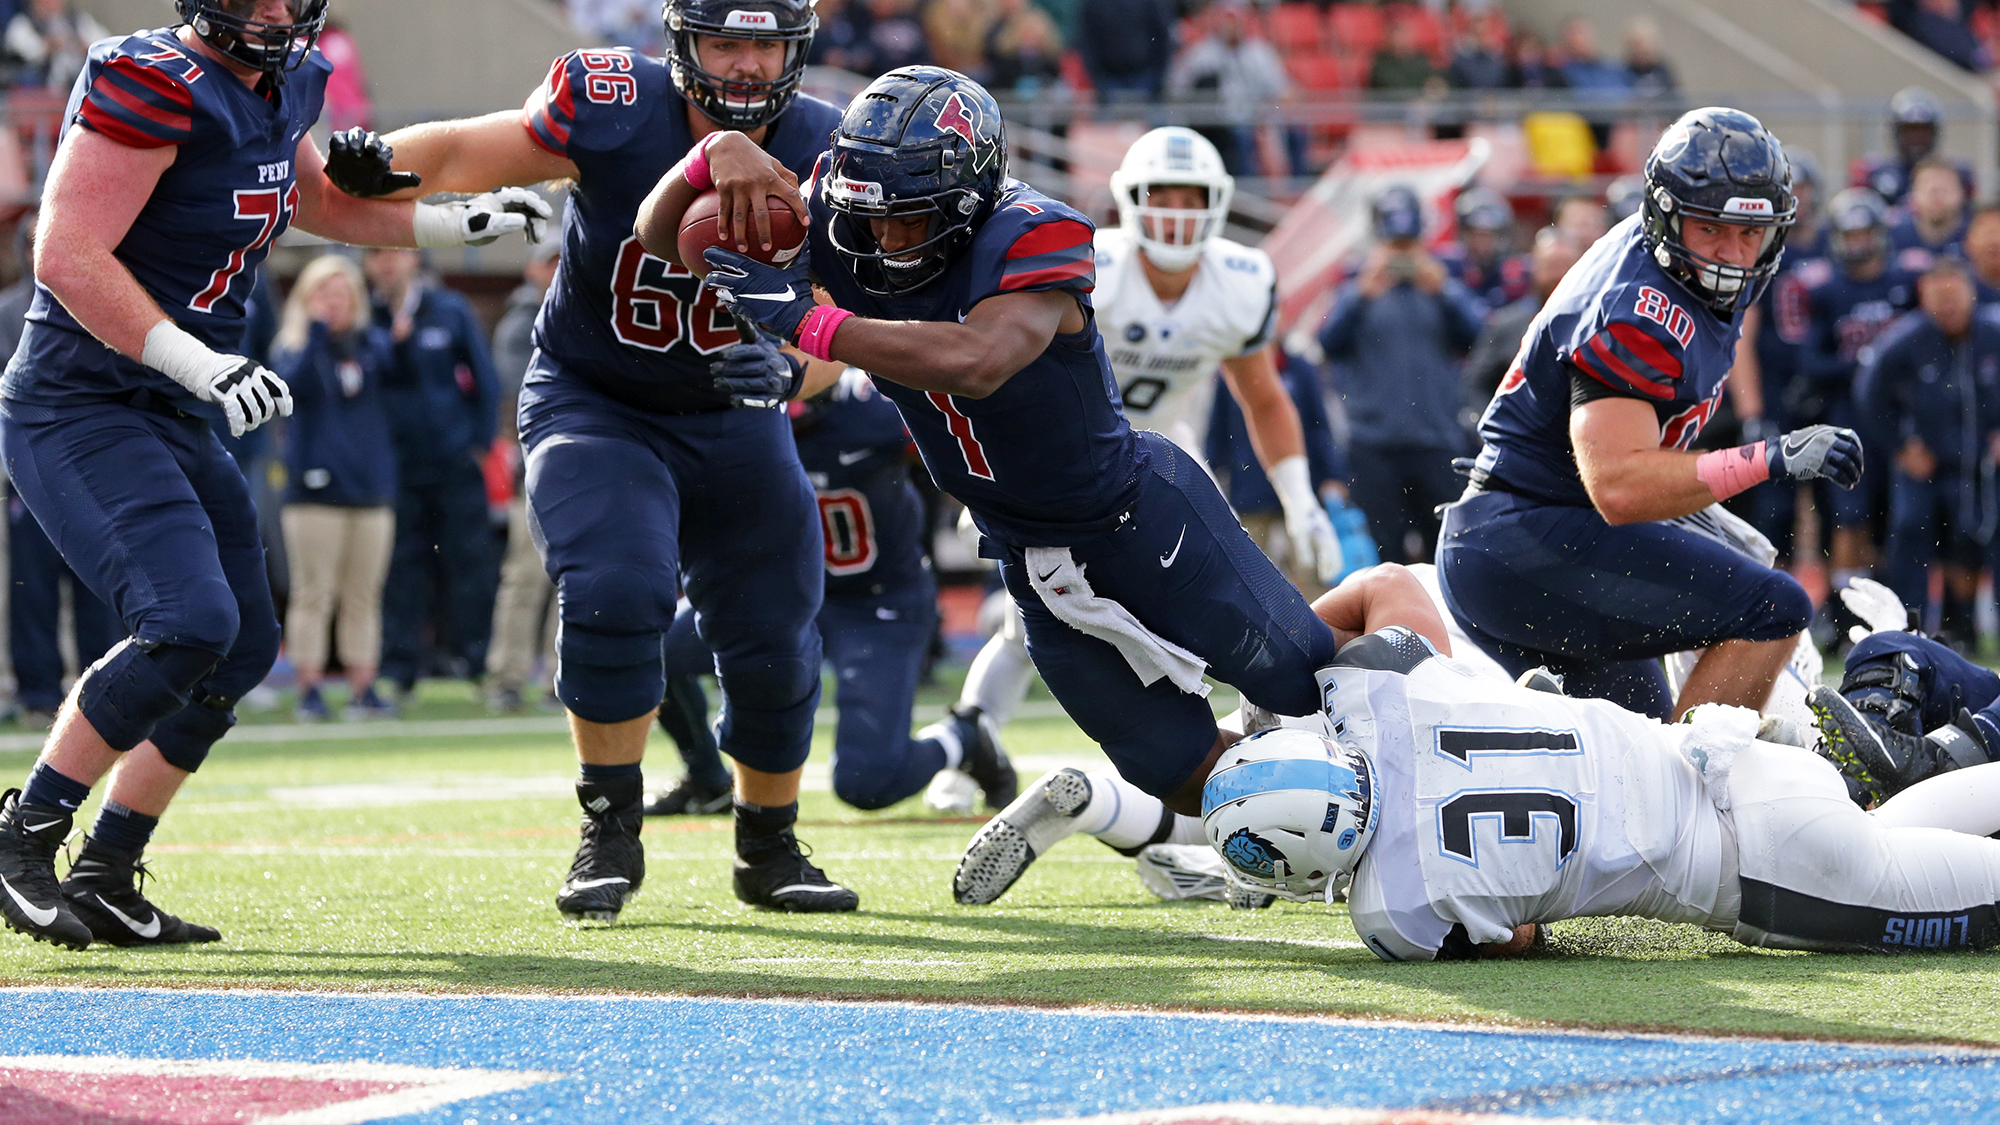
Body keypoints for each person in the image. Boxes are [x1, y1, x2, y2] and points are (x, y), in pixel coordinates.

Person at [639, 66, 1343, 905]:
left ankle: (1424, 794)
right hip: (1029, 562)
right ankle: (1194, 828)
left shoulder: (1032, 230)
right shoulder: (844, 205)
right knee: (1182, 771)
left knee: (1313, 687)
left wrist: (806, 321)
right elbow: (658, 238)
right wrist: (709, 155)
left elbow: (979, 361)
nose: (885, 236)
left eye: (907, 215)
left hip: (1139, 520)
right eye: (872, 214)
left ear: (969, 197)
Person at [0, 0, 548, 951]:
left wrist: (459, 221)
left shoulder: (290, 78)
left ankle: (107, 865)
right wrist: (193, 359)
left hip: (168, 404)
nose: (272, 10)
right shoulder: (152, 81)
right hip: (82, 402)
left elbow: (321, 204)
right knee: (186, 622)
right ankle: (24, 833)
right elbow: (65, 251)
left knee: (245, 643)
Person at [331, 0, 857, 918]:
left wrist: (790, 368)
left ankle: (767, 846)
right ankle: (609, 826)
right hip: (596, 396)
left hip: (738, 412)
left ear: (794, 49)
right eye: (724, 42)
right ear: (684, 44)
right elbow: (459, 152)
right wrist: (383, 153)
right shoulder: (615, 103)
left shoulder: (828, 148)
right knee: (616, 587)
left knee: (777, 630)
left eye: (762, 43)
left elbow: (849, 332)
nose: (742, 66)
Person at [1208, 616, 2000, 961]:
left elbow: (1517, 940)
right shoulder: (1376, 688)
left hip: (1767, 873)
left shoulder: (1393, 910)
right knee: (1894, 829)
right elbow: (1385, 587)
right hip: (1737, 751)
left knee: (1920, 869)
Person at [1436, 107, 1855, 723]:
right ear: (1667, 214)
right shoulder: (1641, 310)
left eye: (1750, 234)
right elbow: (1619, 486)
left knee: (1639, 746)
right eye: (1713, 228)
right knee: (1775, 609)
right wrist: (1767, 458)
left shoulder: (1671, 257)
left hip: (1526, 535)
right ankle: (1699, 797)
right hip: (1525, 538)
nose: (1733, 254)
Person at [946, 126, 1340, 741]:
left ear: (1218, 202)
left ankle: (1261, 738)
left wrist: (1300, 498)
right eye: (1162, 195)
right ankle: (973, 741)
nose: (1175, 215)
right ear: (1129, 198)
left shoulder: (1239, 281)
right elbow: (1003, 366)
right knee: (1034, 619)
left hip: (1160, 456)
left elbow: (1262, 396)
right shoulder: (1086, 260)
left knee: (1220, 600)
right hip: (1058, 457)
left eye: (1191, 199)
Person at [655, 371, 1020, 815]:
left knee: (866, 783)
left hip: (874, 602)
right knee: (653, 650)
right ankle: (707, 780)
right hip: (774, 591)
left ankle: (965, 738)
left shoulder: (875, 409)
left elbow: (966, 446)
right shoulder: (730, 411)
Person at [1318, 184, 1484, 564]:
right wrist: (1360, 293)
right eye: (1395, 245)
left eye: (1408, 244)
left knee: (1445, 553)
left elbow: (1481, 338)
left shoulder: (1442, 285)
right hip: (1374, 445)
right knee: (1383, 558)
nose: (1402, 255)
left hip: (1436, 439)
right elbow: (1326, 342)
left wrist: (1446, 291)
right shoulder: (1356, 287)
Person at [364, 246, 500, 697]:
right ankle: (401, 668)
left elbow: (484, 379)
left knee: (469, 564)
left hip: (454, 462)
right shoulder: (364, 317)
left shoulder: (449, 309)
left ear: (413, 259)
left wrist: (479, 445)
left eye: (393, 254)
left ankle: (473, 661)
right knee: (400, 568)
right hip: (395, 467)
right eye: (375, 256)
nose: (386, 263)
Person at [271, 253, 398, 721]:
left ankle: (363, 686)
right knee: (313, 591)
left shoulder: (371, 345)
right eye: (324, 293)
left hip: (369, 489)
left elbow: (397, 374)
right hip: (314, 493)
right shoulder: (292, 347)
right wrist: (318, 333)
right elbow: (294, 386)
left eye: (343, 293)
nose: (334, 302)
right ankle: (309, 687)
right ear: (306, 299)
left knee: (364, 592)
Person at [1855, 255, 2000, 651]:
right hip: (1922, 464)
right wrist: (1899, 447)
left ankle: (1962, 628)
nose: (1949, 305)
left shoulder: (1991, 333)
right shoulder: (1903, 340)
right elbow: (1868, 394)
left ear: (1971, 292)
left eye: (1955, 294)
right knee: (1911, 532)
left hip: (1978, 466)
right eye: (1940, 296)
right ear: (1924, 296)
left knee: (1968, 540)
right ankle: (1906, 629)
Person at [1797, 186, 1915, 632]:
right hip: (1846, 416)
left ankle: (1886, 610)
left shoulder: (1905, 284)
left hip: (1895, 419)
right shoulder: (1827, 290)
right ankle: (1845, 612)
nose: (1859, 243)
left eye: (1866, 233)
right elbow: (1810, 361)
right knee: (1849, 518)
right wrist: (1865, 362)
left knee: (1892, 519)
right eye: (1851, 234)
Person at [485, 238, 561, 715]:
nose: (555, 272)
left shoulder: (582, 309)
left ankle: (561, 674)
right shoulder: (521, 325)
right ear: (534, 270)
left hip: (578, 460)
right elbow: (521, 392)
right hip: (535, 462)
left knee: (570, 579)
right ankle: (508, 675)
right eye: (549, 264)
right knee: (526, 576)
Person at [1461, 226, 1582, 409]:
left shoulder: (1597, 325)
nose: (1558, 275)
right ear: (1535, 268)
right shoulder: (1505, 326)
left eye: (1566, 266)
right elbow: (1474, 383)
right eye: (1551, 265)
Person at [1855, 87, 1975, 208]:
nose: (1917, 139)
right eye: (1910, 131)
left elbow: (1965, 220)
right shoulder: (1874, 172)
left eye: (1923, 132)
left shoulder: (1956, 173)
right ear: (1896, 132)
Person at [1887, 157, 1969, 267]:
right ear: (1911, 195)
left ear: (1961, 194)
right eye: (1926, 184)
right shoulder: (1892, 236)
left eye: (1945, 186)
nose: (1935, 194)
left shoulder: (1975, 235)